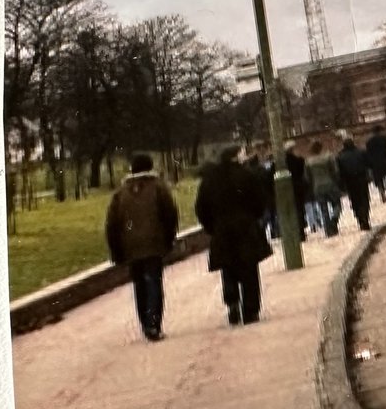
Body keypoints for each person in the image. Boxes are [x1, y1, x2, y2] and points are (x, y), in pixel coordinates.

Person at [105, 153, 179, 341]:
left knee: (139, 285)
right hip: (154, 244)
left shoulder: (120, 193)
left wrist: (116, 249)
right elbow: (170, 214)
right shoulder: (158, 188)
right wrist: (169, 239)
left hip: (130, 247)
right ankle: (154, 324)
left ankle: (145, 323)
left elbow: (112, 224)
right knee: (153, 281)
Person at [194, 146, 272, 326]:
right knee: (249, 269)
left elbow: (201, 208)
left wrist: (211, 226)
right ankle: (250, 309)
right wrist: (254, 217)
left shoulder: (210, 180)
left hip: (222, 229)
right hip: (245, 227)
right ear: (236, 157)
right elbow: (260, 201)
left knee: (228, 268)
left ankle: (233, 303)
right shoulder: (247, 175)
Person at [335, 137, 373, 230]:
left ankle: (360, 218)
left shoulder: (340, 156)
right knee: (364, 198)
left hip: (349, 181)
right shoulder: (361, 152)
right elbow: (369, 163)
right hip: (361, 178)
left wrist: (341, 185)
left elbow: (339, 172)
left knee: (355, 200)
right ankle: (365, 216)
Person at [306, 140, 342, 237]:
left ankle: (328, 230)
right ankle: (333, 220)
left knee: (323, 209)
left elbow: (307, 177)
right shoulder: (328, 157)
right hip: (330, 184)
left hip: (317, 187)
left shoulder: (309, 162)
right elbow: (335, 171)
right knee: (337, 204)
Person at [365, 124, 386, 204]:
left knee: (379, 180)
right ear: (380, 131)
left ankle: (382, 193)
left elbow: (369, 154)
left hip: (376, 164)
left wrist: (370, 164)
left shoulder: (369, 142)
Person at [284, 140, 309, 240]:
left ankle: (293, 232)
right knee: (299, 209)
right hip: (298, 188)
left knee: (290, 211)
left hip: (286, 189)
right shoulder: (299, 160)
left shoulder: (281, 163)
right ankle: (301, 232)